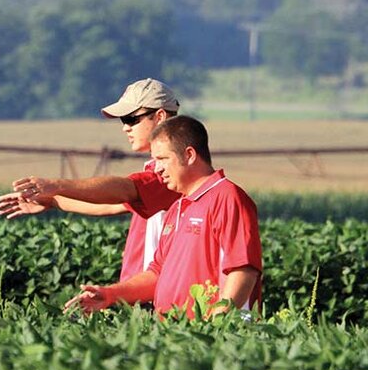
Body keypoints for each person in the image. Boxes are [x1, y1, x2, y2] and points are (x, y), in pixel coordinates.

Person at [63, 116, 263, 319]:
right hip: (175, 334)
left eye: (162, 159)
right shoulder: (176, 207)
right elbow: (157, 274)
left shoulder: (227, 197)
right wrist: (110, 295)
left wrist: (217, 325)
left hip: (209, 338)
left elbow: (243, 270)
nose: (157, 168)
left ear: (190, 155)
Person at [0, 78, 181, 281]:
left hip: (155, 292)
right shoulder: (155, 168)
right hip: (138, 291)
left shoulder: (173, 172)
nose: (125, 128)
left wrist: (56, 185)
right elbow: (111, 206)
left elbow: (125, 189)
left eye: (131, 119)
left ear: (160, 116)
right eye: (123, 121)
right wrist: (52, 200)